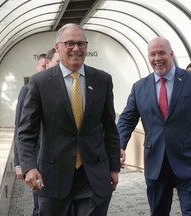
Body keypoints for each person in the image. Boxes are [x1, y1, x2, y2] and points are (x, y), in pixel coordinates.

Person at [16, 23, 120, 216]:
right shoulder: (40, 83)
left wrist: (113, 167)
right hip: (53, 177)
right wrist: (29, 167)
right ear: (58, 47)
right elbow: (25, 132)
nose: (76, 49)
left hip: (93, 177)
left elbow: (110, 128)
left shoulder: (102, 80)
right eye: (70, 43)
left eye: (81, 44)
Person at [117, 36, 191, 216]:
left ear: (171, 54)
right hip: (156, 163)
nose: (157, 58)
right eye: (152, 54)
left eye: (162, 53)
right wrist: (119, 146)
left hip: (190, 160)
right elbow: (127, 119)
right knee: (158, 212)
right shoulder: (140, 87)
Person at [13, 53, 46, 216]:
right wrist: (19, 162)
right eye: (43, 67)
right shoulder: (28, 89)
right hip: (36, 156)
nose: (45, 70)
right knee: (39, 206)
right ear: (38, 66)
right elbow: (20, 128)